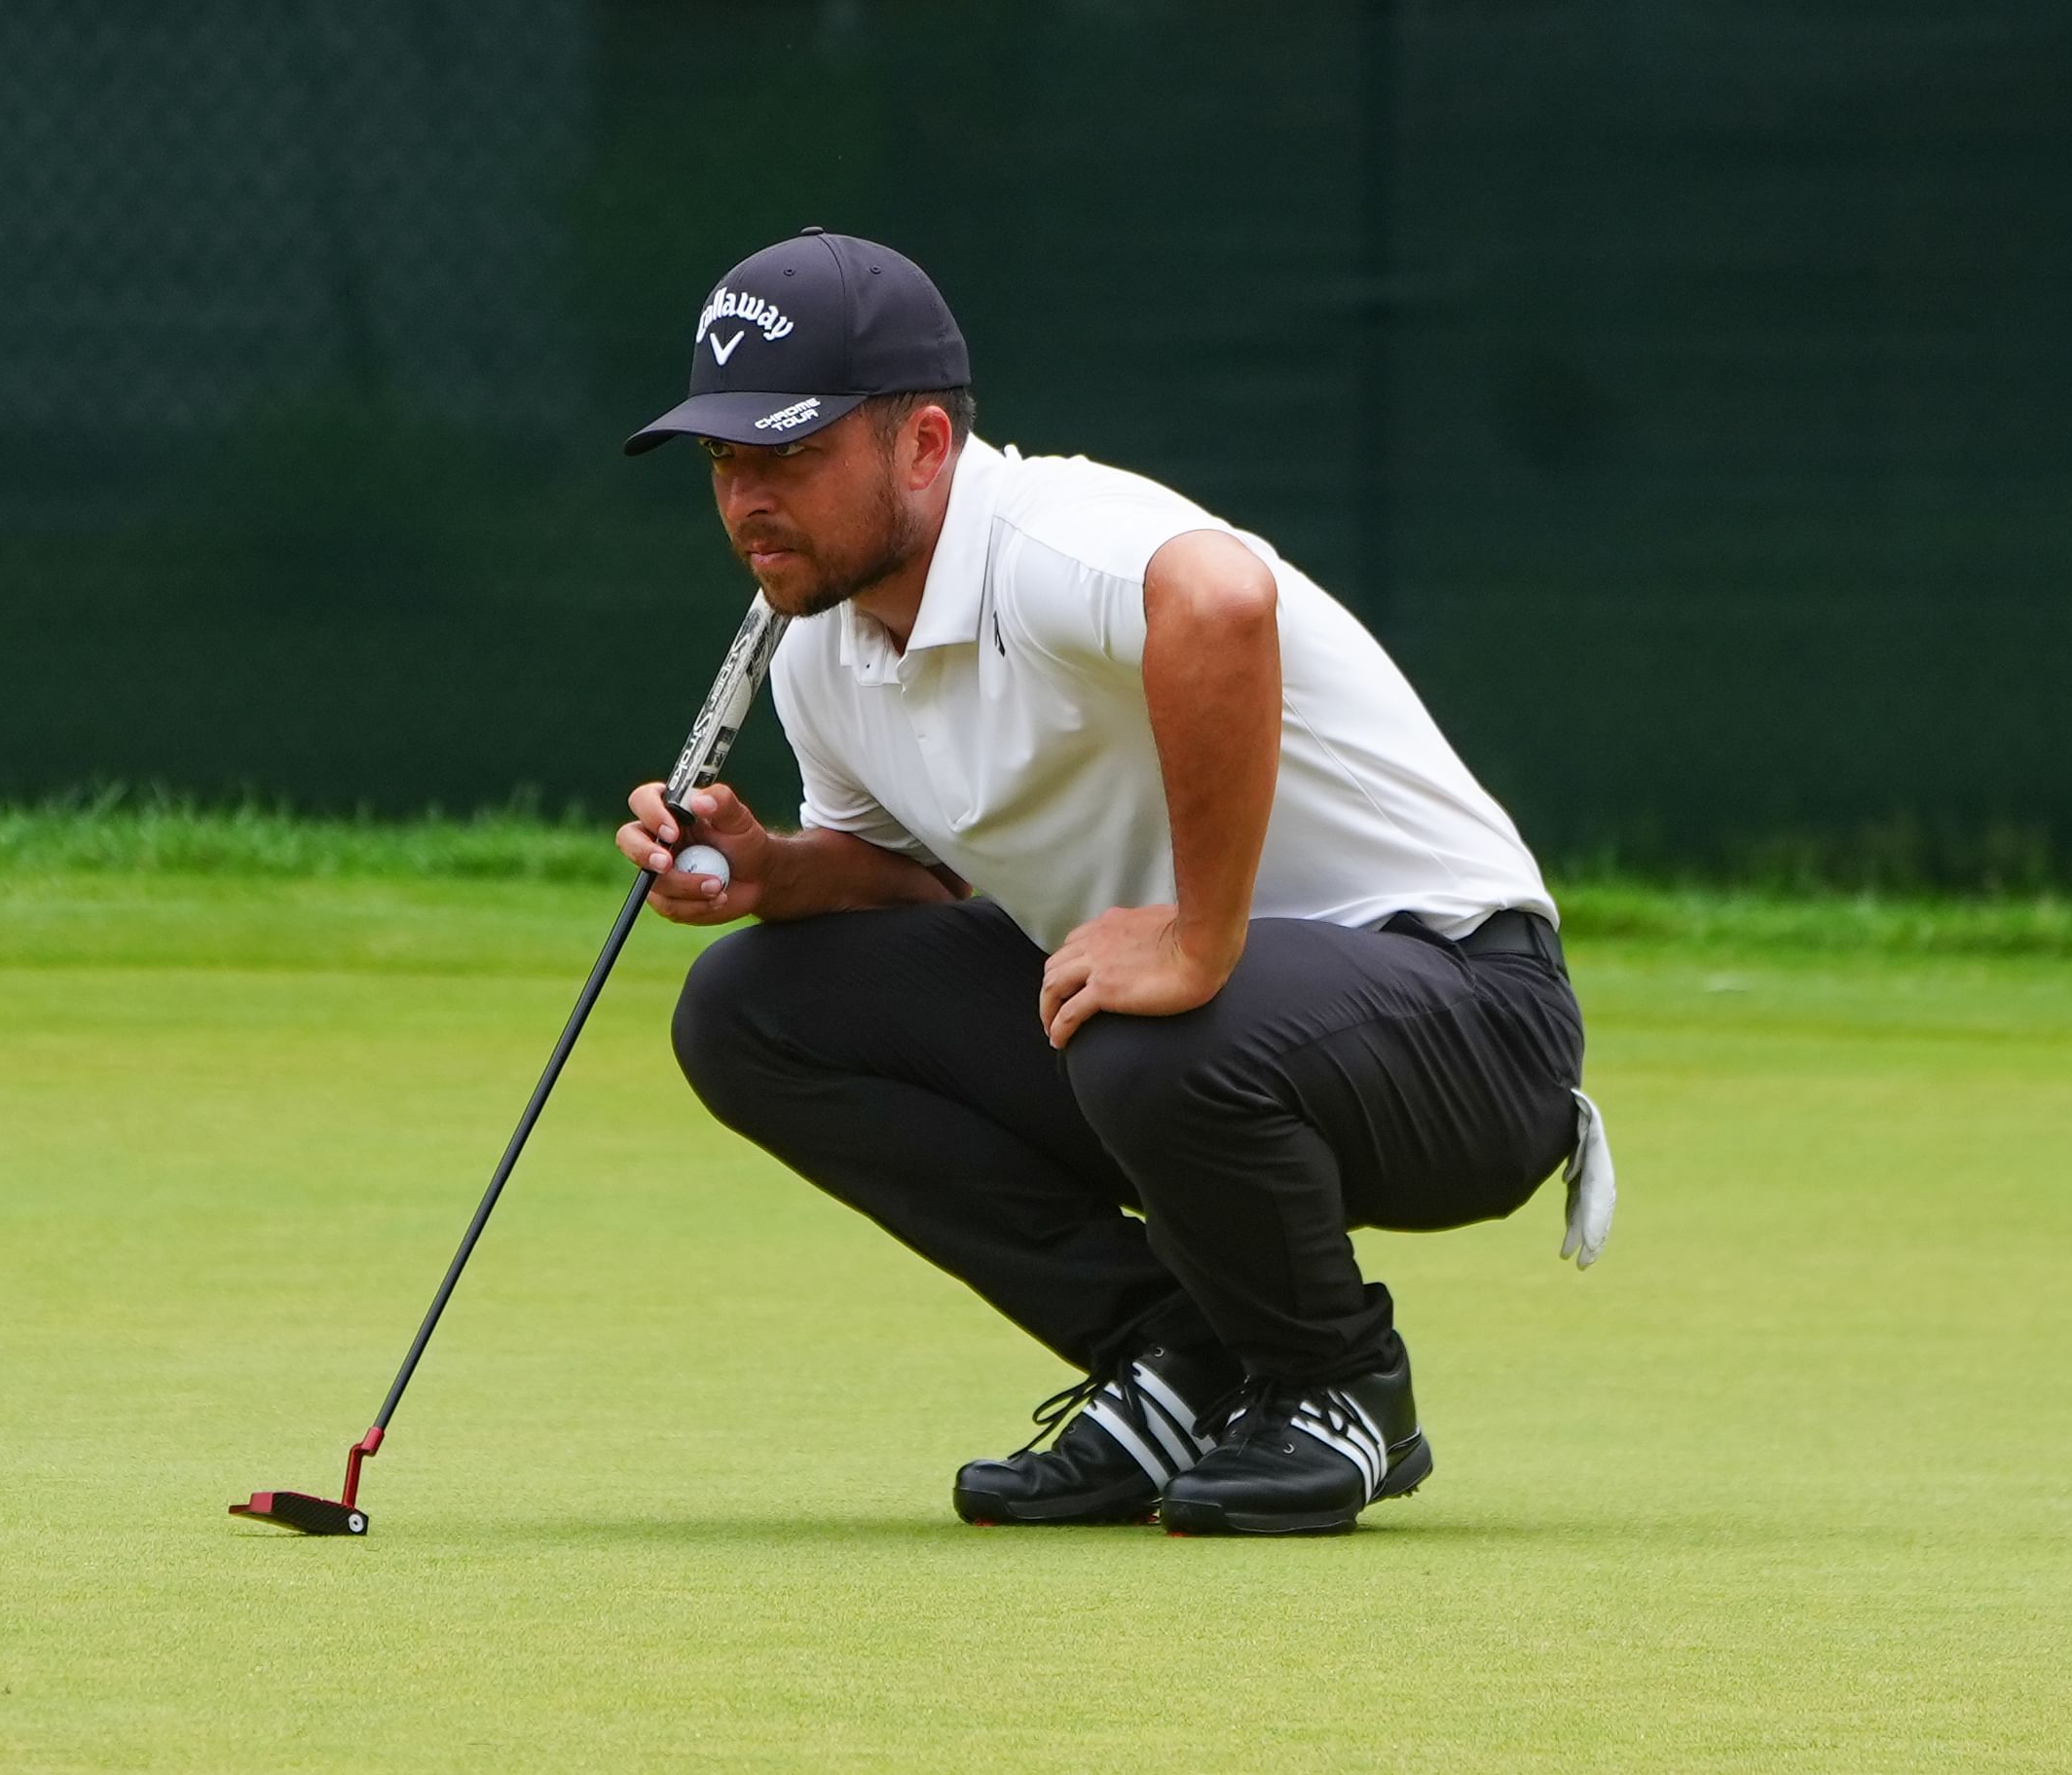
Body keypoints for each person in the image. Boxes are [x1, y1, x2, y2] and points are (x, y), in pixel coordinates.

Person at [617, 228, 1616, 1535]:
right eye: (724, 460)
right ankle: (1183, 1361)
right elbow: (926, 894)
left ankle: (1334, 1381)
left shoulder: (1056, 538)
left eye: (790, 455)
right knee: (749, 1005)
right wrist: (776, 872)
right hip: (1196, 1043)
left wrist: (1198, 941)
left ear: (923, 446)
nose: (748, 498)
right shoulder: (821, 648)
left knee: (1141, 1023)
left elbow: (1219, 605)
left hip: (1471, 1029)